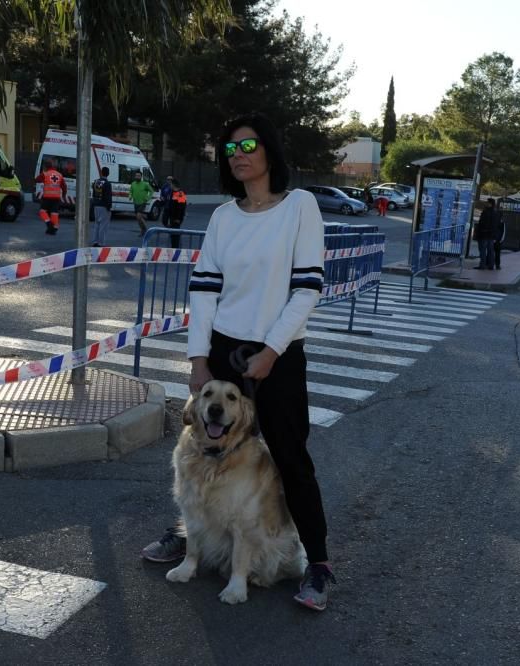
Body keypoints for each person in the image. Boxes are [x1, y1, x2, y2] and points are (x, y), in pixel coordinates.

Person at [141, 112, 335, 611]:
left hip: (280, 353)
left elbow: (308, 286)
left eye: (248, 146)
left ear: (269, 150)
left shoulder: (300, 207)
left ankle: (317, 565)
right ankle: (190, 535)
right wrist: (198, 360)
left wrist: (272, 352)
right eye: (230, 150)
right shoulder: (225, 218)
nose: (239, 155)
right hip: (225, 350)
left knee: (291, 460)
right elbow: (205, 290)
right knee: (206, 449)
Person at [35, 158, 67, 236]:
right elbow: (64, 186)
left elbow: (37, 180)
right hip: (56, 198)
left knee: (42, 212)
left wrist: (43, 173)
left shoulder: (45, 174)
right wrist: (64, 195)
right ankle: (54, 228)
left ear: (45, 166)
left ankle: (49, 223)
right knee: (54, 213)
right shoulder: (59, 175)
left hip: (47, 197)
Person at [91, 166, 113, 247]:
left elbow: (93, 194)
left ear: (101, 173)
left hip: (96, 205)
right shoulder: (107, 184)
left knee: (97, 224)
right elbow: (108, 196)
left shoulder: (96, 182)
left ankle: (95, 241)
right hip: (104, 206)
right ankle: (101, 243)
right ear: (108, 173)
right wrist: (109, 207)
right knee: (103, 225)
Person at [473, 198, 497, 269]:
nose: (486, 203)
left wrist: (479, 232)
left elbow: (482, 223)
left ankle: (482, 265)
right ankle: (491, 265)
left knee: (482, 250)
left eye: (487, 202)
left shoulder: (486, 212)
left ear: (490, 203)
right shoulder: (495, 212)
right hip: (491, 235)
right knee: (490, 251)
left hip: (484, 234)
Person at [129, 171, 154, 235]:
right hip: (135, 202)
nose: (137, 177)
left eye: (139, 176)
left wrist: (147, 198)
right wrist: (130, 196)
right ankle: (143, 230)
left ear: (141, 177)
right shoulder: (133, 184)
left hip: (142, 202)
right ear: (135, 176)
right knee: (138, 218)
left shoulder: (145, 184)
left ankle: (146, 230)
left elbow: (151, 191)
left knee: (139, 216)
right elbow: (131, 191)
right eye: (136, 175)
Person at [165, 178, 187, 248]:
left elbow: (181, 208)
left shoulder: (180, 194)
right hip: (172, 218)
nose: (170, 185)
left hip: (176, 219)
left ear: (174, 185)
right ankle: (174, 247)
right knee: (173, 235)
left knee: (175, 236)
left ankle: (176, 249)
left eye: (171, 184)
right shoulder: (173, 193)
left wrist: (178, 219)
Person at [492, 198, 505, 269]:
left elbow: (503, 231)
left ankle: (495, 264)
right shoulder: (501, 222)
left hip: (497, 239)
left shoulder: (501, 222)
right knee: (496, 253)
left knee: (494, 252)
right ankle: (496, 264)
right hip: (497, 239)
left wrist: (500, 240)